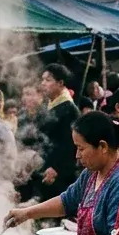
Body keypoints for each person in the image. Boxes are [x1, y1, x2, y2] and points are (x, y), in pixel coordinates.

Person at [39, 63, 82, 198]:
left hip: (60, 175)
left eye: (48, 80)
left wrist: (57, 168)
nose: (43, 83)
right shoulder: (48, 106)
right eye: (42, 80)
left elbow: (70, 144)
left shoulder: (69, 109)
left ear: (60, 83)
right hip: (45, 170)